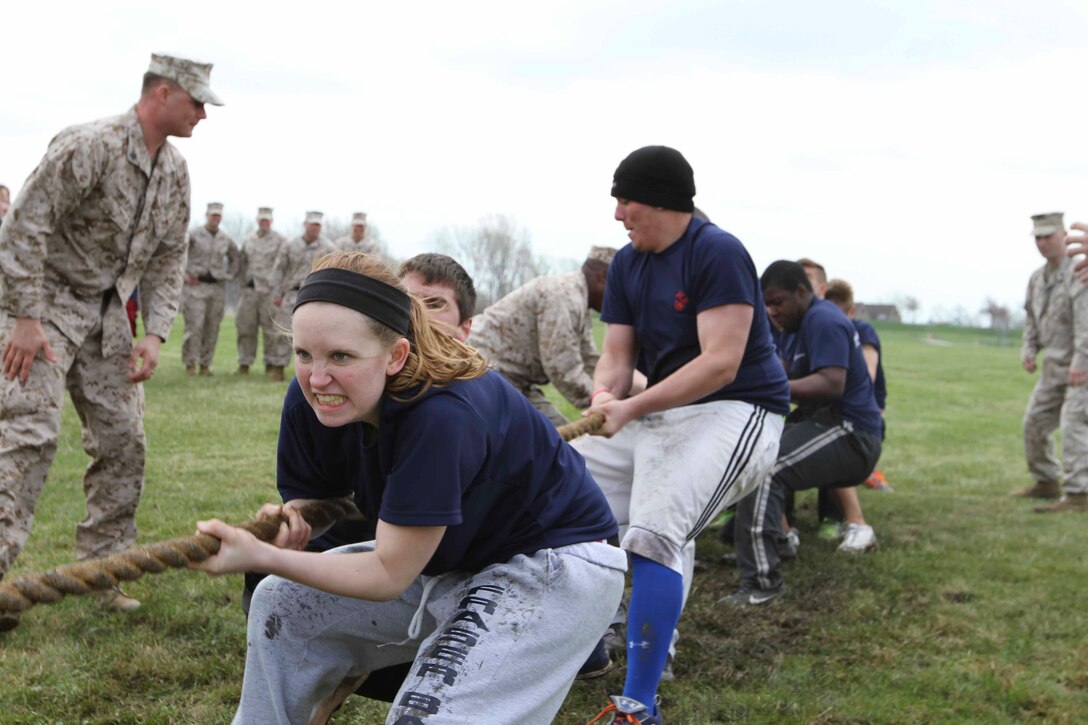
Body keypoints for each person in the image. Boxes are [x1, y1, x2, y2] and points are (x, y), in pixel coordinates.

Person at [193, 252, 626, 724]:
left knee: (422, 719)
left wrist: (263, 556)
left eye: (341, 356)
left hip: (549, 566)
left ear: (396, 355)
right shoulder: (313, 397)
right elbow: (315, 500)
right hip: (450, 560)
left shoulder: (441, 415)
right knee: (282, 601)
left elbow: (387, 574)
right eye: (303, 354)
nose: (318, 378)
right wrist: (292, 525)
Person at [0, 53, 221, 614]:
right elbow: (24, 225)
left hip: (107, 321)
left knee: (125, 440)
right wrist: (24, 318)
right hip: (42, 310)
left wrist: (155, 334)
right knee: (28, 433)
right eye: (196, 101)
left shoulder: (174, 170)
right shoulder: (88, 146)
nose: (203, 113)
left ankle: (102, 574)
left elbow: (171, 255)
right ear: (163, 93)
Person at [575, 146, 789, 725]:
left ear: (662, 201)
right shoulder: (626, 263)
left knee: (654, 532)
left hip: (737, 409)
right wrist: (604, 399)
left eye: (626, 200)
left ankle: (638, 706)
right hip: (665, 406)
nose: (618, 213)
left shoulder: (716, 251)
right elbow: (617, 356)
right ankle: (581, 646)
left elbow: (721, 363)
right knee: (563, 498)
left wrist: (633, 404)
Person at [732, 261, 883, 607]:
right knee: (754, 451)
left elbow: (832, 382)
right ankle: (775, 542)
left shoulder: (824, 319)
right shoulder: (790, 327)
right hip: (825, 423)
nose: (772, 311)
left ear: (802, 292)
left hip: (851, 431)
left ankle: (761, 582)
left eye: (778, 302)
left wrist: (775, 387)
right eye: (766, 304)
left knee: (768, 466)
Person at [470, 246, 617, 426]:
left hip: (512, 381)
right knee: (551, 443)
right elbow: (563, 369)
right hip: (480, 372)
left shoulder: (578, 303)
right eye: (619, 288)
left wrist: (619, 393)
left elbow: (590, 360)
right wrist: (606, 402)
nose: (621, 298)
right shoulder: (563, 296)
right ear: (602, 277)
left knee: (559, 442)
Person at [1016, 212, 1088, 512]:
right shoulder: (1037, 279)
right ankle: (1046, 481)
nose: (1043, 243)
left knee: (1074, 425)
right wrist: (1029, 349)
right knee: (1034, 423)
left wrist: (1082, 362)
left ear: (1064, 236)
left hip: (1080, 368)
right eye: (1038, 238)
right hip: (1054, 368)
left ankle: (1079, 494)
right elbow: (1031, 319)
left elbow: (1086, 323)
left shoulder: (1080, 272)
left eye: (1048, 236)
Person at [269, 211, 336, 381]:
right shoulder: (289, 245)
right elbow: (279, 270)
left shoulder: (328, 248)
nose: (315, 228)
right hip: (292, 293)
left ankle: (313, 370)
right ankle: (278, 367)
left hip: (316, 296)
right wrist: (277, 294)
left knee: (315, 334)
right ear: (305, 224)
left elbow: (336, 272)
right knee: (283, 331)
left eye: (318, 225)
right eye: (312, 224)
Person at [180, 201, 238, 376]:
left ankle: (205, 365)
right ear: (206, 215)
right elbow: (179, 253)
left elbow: (235, 258)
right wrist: (183, 274)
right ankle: (190, 364)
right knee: (194, 326)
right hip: (196, 287)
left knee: (212, 327)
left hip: (216, 288)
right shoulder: (194, 235)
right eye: (213, 215)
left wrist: (229, 276)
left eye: (218, 215)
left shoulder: (225, 239)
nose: (215, 218)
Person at [235, 206, 288, 377]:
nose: (264, 222)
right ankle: (244, 363)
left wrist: (280, 291)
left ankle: (271, 364)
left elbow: (283, 267)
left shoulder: (281, 241)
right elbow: (241, 264)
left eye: (267, 220)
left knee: (271, 330)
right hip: (250, 291)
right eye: (261, 219)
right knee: (245, 328)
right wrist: (242, 286)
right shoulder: (248, 239)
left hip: (269, 292)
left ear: (271, 221)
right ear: (258, 220)